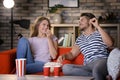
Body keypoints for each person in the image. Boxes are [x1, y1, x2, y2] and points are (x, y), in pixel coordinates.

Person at [57, 13, 113, 80]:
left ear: (90, 21)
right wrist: (64, 56)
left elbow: (110, 44)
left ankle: (97, 74)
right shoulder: (80, 39)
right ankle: (101, 76)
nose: (79, 22)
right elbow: (72, 54)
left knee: (97, 69)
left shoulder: (100, 33)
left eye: (82, 20)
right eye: (79, 21)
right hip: (88, 65)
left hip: (101, 61)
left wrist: (98, 26)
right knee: (66, 68)